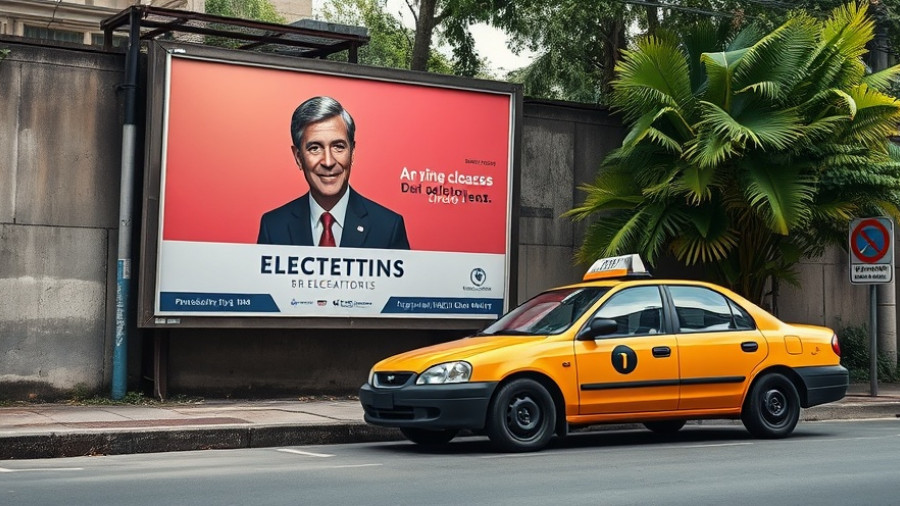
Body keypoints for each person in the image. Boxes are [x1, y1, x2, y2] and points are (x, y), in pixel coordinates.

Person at [257, 96, 410, 249]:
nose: (328, 162)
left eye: (338, 147)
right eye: (315, 148)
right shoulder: (273, 227)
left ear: (352, 153)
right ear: (298, 157)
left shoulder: (388, 228)